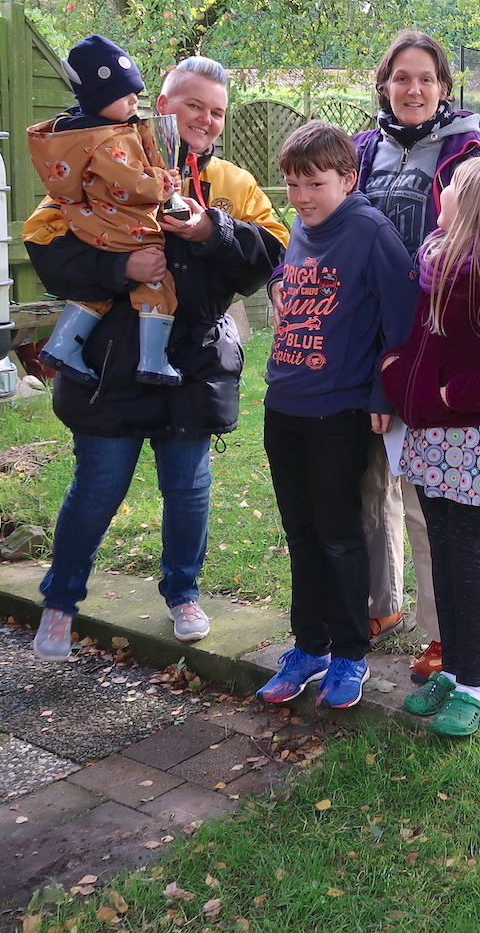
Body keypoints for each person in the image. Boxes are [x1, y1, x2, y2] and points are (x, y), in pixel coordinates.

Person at [23, 56, 289, 660]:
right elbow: (45, 243)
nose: (206, 119)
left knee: (189, 488)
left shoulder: (231, 183)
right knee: (97, 486)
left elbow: (269, 252)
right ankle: (61, 601)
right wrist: (119, 269)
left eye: (217, 111)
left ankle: (184, 593)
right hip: (108, 363)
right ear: (160, 103)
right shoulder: (102, 160)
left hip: (193, 364)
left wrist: (211, 231)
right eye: (193, 104)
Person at [354, 30, 480, 682]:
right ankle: (379, 604)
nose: (413, 90)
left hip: (435, 344)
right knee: (367, 481)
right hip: (365, 339)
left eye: (426, 78)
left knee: (426, 494)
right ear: (384, 84)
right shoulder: (359, 151)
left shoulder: (475, 154)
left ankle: (444, 632)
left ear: (445, 87)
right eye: (401, 78)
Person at [381, 156, 480, 737]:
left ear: (469, 201)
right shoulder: (437, 263)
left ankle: (472, 687)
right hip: (435, 444)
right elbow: (424, 345)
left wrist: (451, 395)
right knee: (445, 558)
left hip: (478, 445)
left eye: (448, 188)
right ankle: (451, 670)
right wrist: (400, 376)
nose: (439, 194)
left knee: (469, 563)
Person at [256, 121, 417, 710]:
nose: (301, 197)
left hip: (339, 411)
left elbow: (401, 322)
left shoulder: (370, 231)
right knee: (300, 533)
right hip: (285, 404)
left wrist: (383, 394)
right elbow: (290, 280)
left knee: (339, 535)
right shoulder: (301, 225)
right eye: (293, 185)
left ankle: (349, 653)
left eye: (314, 184)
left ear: (349, 179)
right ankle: (310, 645)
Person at [26, 35, 181, 386]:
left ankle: (63, 345)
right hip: (126, 227)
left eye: (136, 92)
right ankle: (153, 361)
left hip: (97, 225)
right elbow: (131, 185)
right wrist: (162, 182)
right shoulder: (110, 140)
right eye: (123, 94)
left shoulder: (85, 135)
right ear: (98, 98)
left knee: (100, 294)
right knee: (157, 284)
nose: (133, 100)